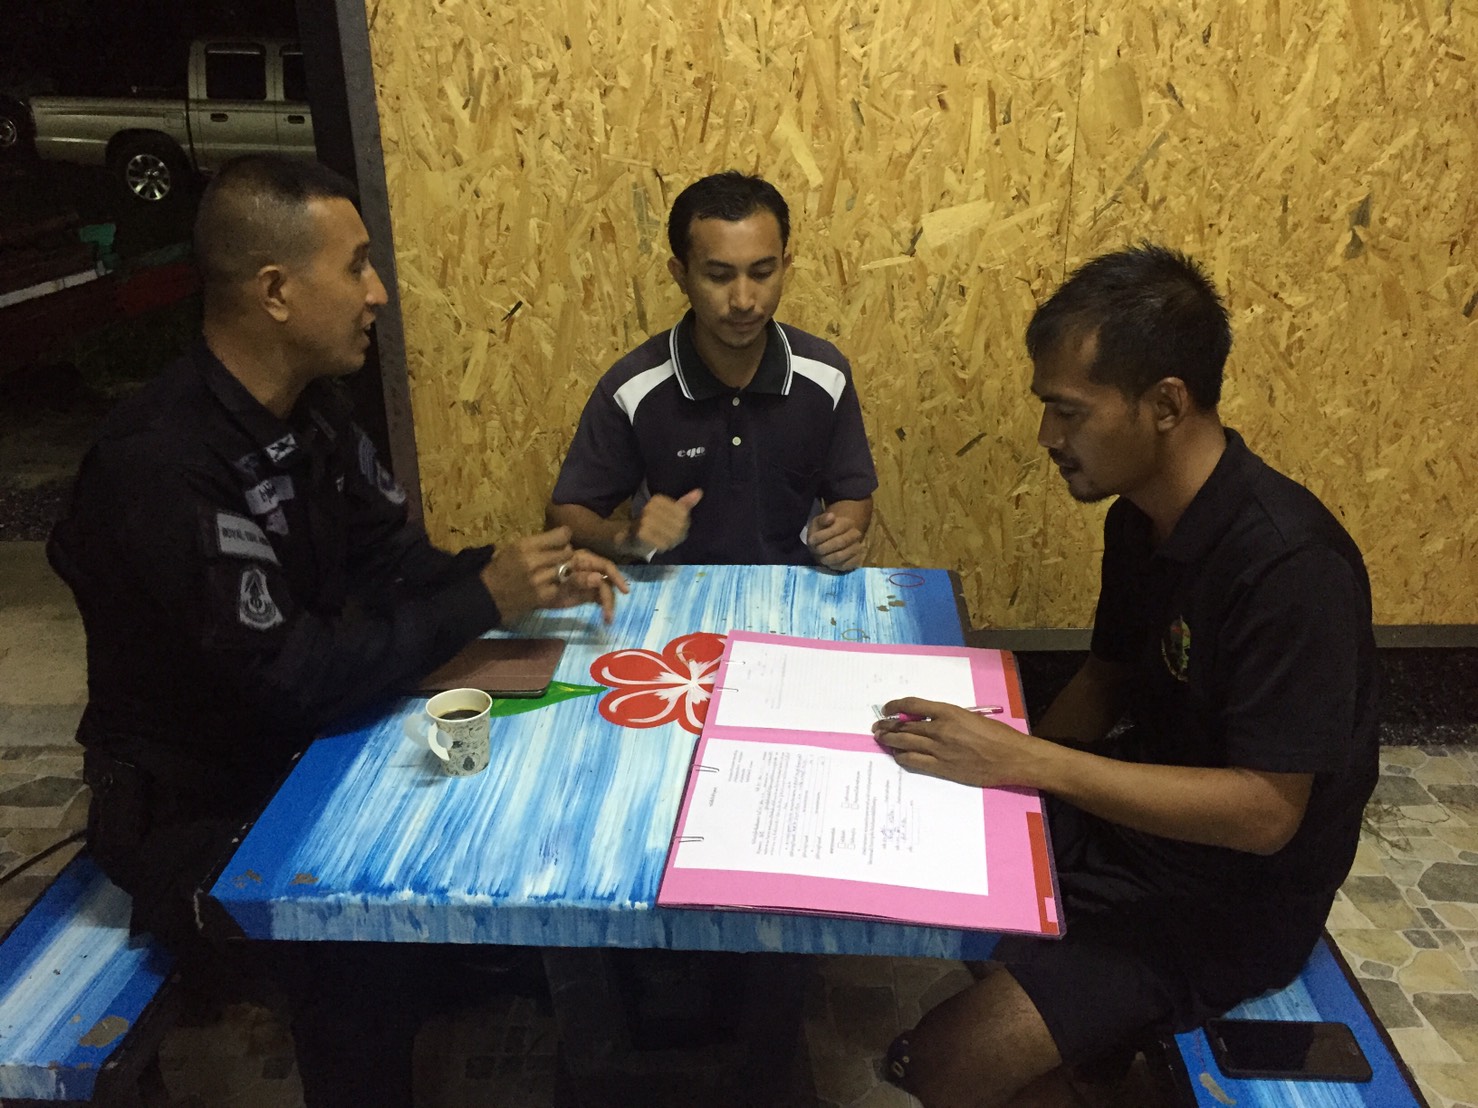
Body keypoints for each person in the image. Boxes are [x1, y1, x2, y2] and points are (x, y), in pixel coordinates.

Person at [46, 154, 627, 1108]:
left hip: (301, 744)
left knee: (525, 793)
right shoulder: (160, 467)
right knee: (356, 944)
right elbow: (293, 677)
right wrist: (480, 596)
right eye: (356, 265)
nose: (378, 292)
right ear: (275, 291)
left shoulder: (313, 413)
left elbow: (391, 562)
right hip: (198, 808)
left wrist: (523, 574)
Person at [872, 244, 1379, 1107]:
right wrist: (1009, 793)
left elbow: (1265, 815)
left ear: (1165, 405)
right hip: (1133, 832)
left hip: (1233, 899)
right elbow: (1105, 682)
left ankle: (1105, 1057)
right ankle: (1092, 1048)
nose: (1047, 437)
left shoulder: (1292, 567)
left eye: (1067, 412)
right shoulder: (1142, 521)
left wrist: (1027, 764)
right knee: (932, 847)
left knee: (951, 1063)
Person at [547, 170, 877, 569]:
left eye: (762, 273)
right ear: (681, 275)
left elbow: (852, 493)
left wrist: (842, 531)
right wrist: (625, 536)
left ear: (785, 266)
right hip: (672, 600)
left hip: (795, 594)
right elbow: (565, 514)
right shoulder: (633, 387)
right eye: (719, 276)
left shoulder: (826, 374)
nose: (743, 300)